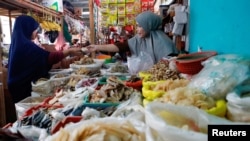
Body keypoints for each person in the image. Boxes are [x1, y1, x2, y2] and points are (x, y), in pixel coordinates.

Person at [7, 15, 84, 103]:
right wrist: (69, 51)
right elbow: (48, 58)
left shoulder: (17, 44)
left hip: (16, 84)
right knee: (25, 111)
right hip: (22, 86)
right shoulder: (26, 46)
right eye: (34, 28)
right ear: (27, 28)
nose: (36, 32)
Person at [87, 11, 179, 65]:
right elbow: (121, 46)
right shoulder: (139, 38)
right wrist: (97, 47)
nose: (137, 29)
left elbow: (172, 64)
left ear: (149, 25)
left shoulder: (164, 42)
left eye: (140, 26)